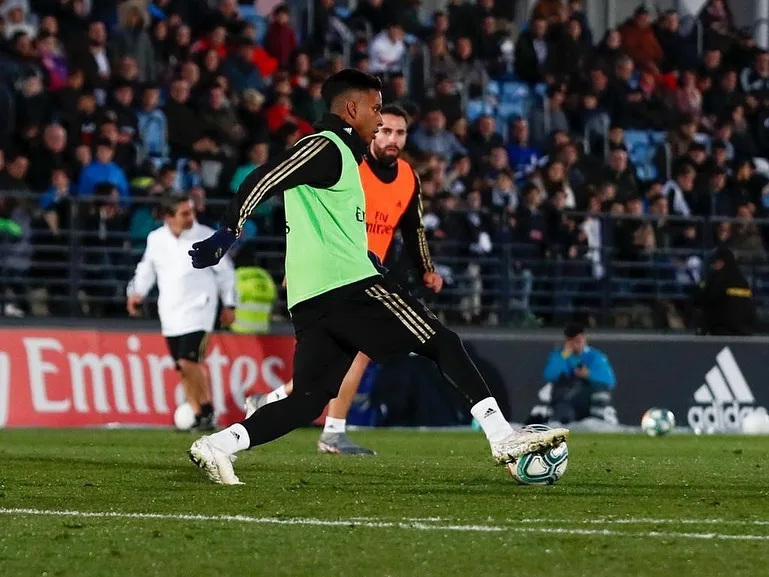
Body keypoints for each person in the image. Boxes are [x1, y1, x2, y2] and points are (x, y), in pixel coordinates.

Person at [186, 69, 568, 485]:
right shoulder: (325, 146)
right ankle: (502, 437)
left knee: (308, 400)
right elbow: (266, 175)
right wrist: (228, 229)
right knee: (441, 341)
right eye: (376, 107)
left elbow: (327, 224)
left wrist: (365, 252)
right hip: (349, 286)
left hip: (314, 295)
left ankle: (219, 445)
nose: (379, 116)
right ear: (352, 109)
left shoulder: (344, 157)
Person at [243, 104, 443, 455]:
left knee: (346, 356)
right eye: (386, 130)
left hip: (369, 272)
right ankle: (326, 429)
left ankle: (280, 405)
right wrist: (294, 263)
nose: (392, 138)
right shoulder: (349, 166)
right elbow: (304, 208)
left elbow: (413, 228)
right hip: (333, 270)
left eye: (400, 132)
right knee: (350, 353)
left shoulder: (409, 177)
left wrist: (426, 267)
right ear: (374, 131)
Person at [127, 195, 237, 431]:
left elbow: (226, 273)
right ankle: (198, 415)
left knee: (189, 361)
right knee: (182, 366)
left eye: (191, 212)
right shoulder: (156, 239)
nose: (191, 217)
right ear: (168, 216)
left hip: (200, 307)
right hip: (170, 312)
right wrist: (137, 292)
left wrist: (229, 304)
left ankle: (206, 410)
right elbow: (147, 269)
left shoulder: (207, 235)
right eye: (185, 213)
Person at [527, 323, 617, 426]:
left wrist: (588, 375)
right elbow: (549, 375)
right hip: (566, 399)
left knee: (601, 393)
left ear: (584, 339)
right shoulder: (560, 355)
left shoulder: (596, 356)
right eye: (572, 341)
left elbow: (610, 381)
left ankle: (598, 422)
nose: (576, 344)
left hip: (588, 398)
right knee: (563, 412)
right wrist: (565, 355)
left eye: (578, 341)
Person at [692, 247, 755, 336]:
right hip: (743, 332)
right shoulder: (742, 281)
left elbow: (702, 299)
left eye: (716, 262)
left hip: (721, 331)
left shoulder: (717, 279)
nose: (715, 265)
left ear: (721, 262)